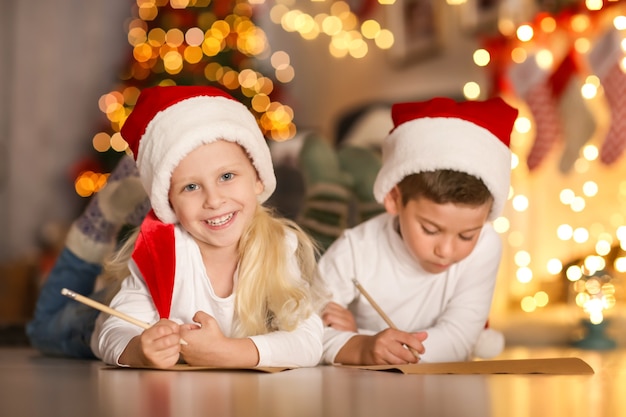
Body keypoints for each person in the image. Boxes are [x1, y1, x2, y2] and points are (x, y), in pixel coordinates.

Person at [30, 85, 328, 369]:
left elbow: (309, 340)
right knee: (44, 329)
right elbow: (113, 330)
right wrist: (139, 350)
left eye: (226, 177)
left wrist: (227, 352)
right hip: (98, 318)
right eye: (191, 186)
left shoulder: (279, 244)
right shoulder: (160, 250)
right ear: (168, 203)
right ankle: (100, 218)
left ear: (259, 178)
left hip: (145, 299)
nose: (214, 200)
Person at [319, 96, 518, 365]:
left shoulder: (486, 245)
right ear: (394, 198)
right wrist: (361, 344)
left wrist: (359, 339)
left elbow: (459, 339)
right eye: (430, 229)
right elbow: (304, 330)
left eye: (466, 235)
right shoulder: (355, 249)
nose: (446, 251)